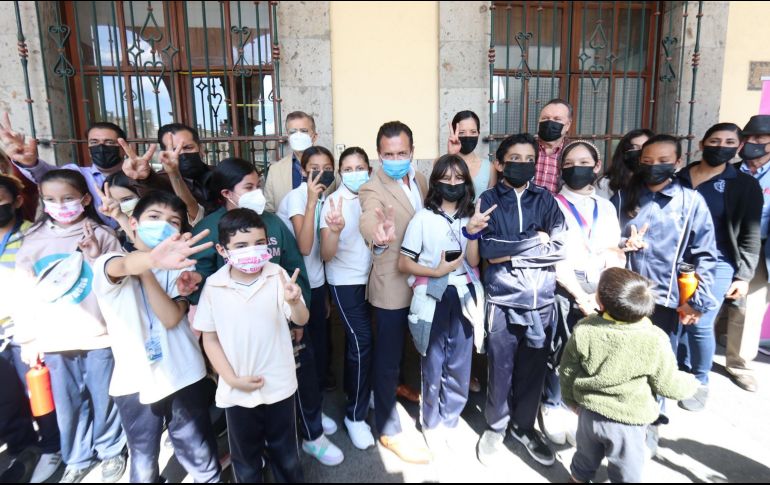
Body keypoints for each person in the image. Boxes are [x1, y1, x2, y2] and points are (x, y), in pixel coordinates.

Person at [191, 158, 342, 466]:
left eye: (258, 186)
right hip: (236, 335)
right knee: (248, 398)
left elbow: (294, 268)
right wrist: (193, 289)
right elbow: (200, 279)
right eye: (248, 187)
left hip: (281, 320)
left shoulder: (271, 222)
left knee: (302, 376)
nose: (256, 192)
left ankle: (312, 433)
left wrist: (300, 306)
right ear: (227, 193)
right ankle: (254, 452)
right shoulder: (209, 228)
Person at [12, 169, 127, 483]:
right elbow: (23, 294)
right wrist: (29, 338)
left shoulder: (102, 235)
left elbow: (118, 280)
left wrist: (93, 257)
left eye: (68, 199)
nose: (60, 205)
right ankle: (77, 456)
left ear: (85, 199)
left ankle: (110, 449)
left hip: (101, 334)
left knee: (105, 398)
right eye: (51, 199)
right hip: (54, 337)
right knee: (67, 404)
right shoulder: (33, 240)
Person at [193, 209, 309, 483]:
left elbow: (301, 318)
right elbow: (209, 338)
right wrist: (231, 378)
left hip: (279, 384)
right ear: (223, 249)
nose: (252, 251)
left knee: (286, 453)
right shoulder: (214, 285)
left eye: (259, 244)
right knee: (245, 457)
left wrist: (294, 301)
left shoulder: (277, 275)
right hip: (237, 390)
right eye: (242, 246)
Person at [475, 133, 566, 467]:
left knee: (532, 371)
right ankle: (496, 427)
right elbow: (488, 249)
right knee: (500, 369)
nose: (522, 164)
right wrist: (534, 242)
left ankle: (523, 427)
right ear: (500, 163)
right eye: (514, 158)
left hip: (540, 300)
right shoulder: (487, 199)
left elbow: (560, 247)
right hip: (502, 299)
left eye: (529, 158)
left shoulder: (545, 200)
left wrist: (513, 251)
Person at [560, 267, 699, 483]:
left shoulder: (585, 328)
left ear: (601, 304)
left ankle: (576, 479)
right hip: (628, 422)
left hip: (588, 414)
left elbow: (568, 370)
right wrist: (691, 383)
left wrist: (571, 401)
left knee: (584, 460)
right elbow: (667, 384)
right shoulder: (654, 338)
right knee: (626, 471)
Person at [398, 154, 486, 454]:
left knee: (460, 362)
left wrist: (472, 233)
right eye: (445, 178)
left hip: (462, 294)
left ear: (466, 183)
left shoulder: (469, 216)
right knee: (432, 361)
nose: (452, 184)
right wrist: (435, 271)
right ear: (435, 182)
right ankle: (431, 423)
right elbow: (404, 263)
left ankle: (450, 420)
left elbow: (473, 262)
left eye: (458, 179)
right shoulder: (423, 218)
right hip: (432, 295)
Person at [542, 140, 624, 446]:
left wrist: (603, 293)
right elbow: (554, 257)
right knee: (560, 350)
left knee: (589, 354)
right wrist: (579, 295)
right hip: (565, 290)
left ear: (597, 165)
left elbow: (613, 249)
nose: (577, 169)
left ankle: (576, 407)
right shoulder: (552, 204)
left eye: (584, 162)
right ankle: (552, 405)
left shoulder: (605, 206)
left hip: (600, 293)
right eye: (570, 164)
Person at [358, 120, 431, 464]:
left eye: (402, 152)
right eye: (389, 154)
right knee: (386, 358)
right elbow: (368, 220)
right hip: (390, 283)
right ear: (379, 155)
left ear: (412, 151)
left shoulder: (419, 178)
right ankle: (388, 428)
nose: (396, 158)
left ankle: (403, 386)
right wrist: (379, 234)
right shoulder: (372, 187)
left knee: (410, 346)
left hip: (422, 279)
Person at [677, 123, 763, 410]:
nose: (720, 146)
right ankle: (679, 369)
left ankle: (700, 380)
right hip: (678, 260)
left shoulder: (742, 183)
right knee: (677, 319)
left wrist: (744, 275)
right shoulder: (680, 177)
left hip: (718, 262)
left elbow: (750, 232)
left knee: (699, 321)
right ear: (702, 144)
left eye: (728, 142)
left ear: (737, 147)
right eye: (714, 140)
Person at [276, 145, 344, 466]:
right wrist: (312, 200)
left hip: (317, 286)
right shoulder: (296, 198)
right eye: (314, 167)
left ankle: (312, 416)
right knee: (305, 359)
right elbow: (304, 246)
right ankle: (308, 427)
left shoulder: (331, 200)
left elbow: (323, 254)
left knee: (316, 355)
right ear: (303, 171)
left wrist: (327, 294)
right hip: (296, 290)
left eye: (327, 167)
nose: (321, 172)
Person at [0, 113, 172, 227]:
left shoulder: (136, 174)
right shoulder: (76, 174)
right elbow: (50, 178)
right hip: (89, 243)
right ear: (88, 147)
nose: (101, 147)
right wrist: (31, 163)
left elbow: (162, 201)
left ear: (123, 146)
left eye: (109, 143)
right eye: (94, 142)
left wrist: (146, 178)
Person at [0, 174, 62, 483]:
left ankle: (52, 447)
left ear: (18, 202)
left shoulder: (33, 237)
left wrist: (33, 332)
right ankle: (22, 451)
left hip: (26, 330)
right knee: (8, 400)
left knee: (39, 393)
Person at [319, 147, 375, 450]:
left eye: (360, 167)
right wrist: (336, 231)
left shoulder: (370, 196)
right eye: (349, 168)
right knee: (360, 342)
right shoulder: (334, 201)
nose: (355, 173)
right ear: (340, 173)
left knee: (361, 342)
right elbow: (326, 254)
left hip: (371, 280)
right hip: (345, 282)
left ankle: (362, 390)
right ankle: (354, 416)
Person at [716, 114, 770, 392]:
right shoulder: (732, 171)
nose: (752, 144)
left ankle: (739, 364)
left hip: (762, 249)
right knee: (715, 298)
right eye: (747, 138)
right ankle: (709, 346)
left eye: (760, 139)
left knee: (748, 306)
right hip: (727, 244)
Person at [264, 111, 335, 213]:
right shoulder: (275, 170)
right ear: (288, 137)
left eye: (304, 131)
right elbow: (269, 211)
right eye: (293, 132)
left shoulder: (334, 168)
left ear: (314, 136)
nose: (298, 135)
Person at [157, 123, 217, 215]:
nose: (182, 154)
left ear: (201, 148)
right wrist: (144, 179)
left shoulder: (219, 173)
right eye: (174, 150)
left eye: (188, 148)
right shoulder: (161, 181)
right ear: (165, 153)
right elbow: (149, 187)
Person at [446, 110, 497, 198]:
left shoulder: (489, 168)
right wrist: (451, 156)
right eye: (461, 132)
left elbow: (491, 201)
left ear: (478, 133)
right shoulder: (440, 163)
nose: (467, 136)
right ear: (454, 133)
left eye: (473, 132)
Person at [595, 128, 654, 203]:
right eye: (634, 147)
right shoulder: (606, 183)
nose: (640, 152)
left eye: (645, 147)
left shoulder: (660, 181)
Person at [534, 99, 572, 193]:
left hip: (560, 206)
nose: (550, 123)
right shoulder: (525, 148)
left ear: (568, 125)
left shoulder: (574, 153)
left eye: (557, 119)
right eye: (545, 118)